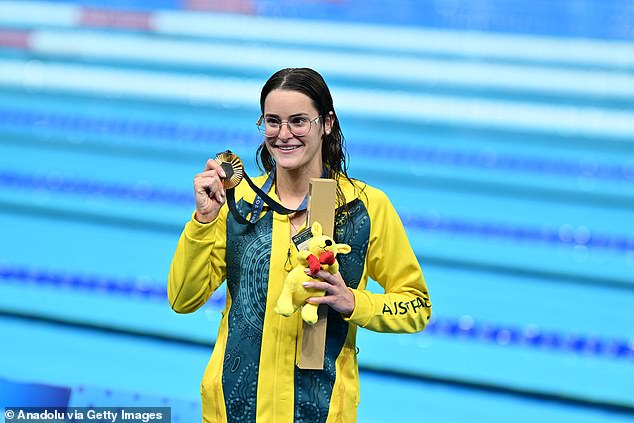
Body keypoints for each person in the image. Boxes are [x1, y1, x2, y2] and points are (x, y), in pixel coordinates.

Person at [168, 67, 432, 423]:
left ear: (326, 123)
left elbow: (417, 306)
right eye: (273, 122)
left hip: (321, 412)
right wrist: (202, 221)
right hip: (230, 410)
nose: (284, 135)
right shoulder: (238, 200)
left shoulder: (366, 208)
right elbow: (183, 299)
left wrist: (353, 301)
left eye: (299, 121)